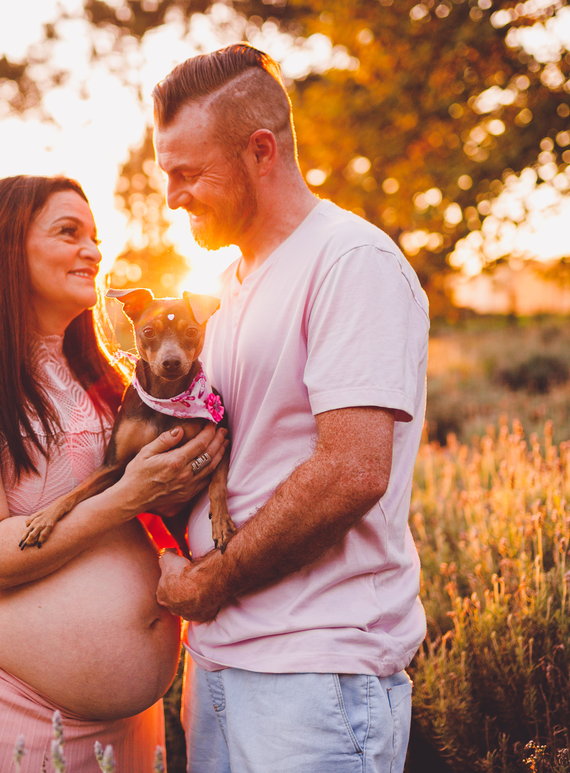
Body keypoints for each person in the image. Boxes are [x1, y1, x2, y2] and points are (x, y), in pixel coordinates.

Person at [151, 44, 429, 772]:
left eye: (188, 173)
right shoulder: (223, 289)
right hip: (216, 664)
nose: (172, 197)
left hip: (315, 678)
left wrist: (211, 582)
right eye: (166, 175)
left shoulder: (350, 261)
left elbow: (351, 471)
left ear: (260, 152)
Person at [0, 175, 227, 773]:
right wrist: (128, 497)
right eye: (69, 232)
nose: (92, 251)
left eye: (95, 237)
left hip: (122, 729)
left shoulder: (108, 376)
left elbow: (159, 501)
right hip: (2, 710)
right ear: (4, 248)